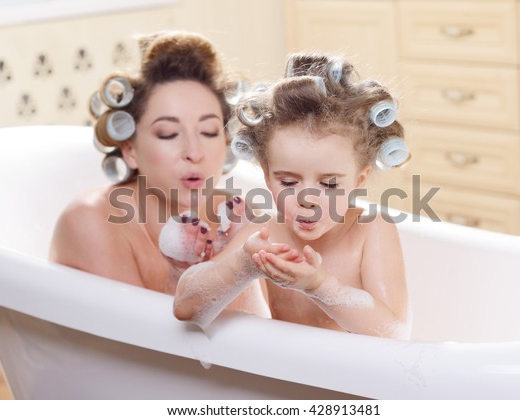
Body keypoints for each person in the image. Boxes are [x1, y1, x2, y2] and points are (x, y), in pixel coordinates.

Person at [172, 52, 411, 338]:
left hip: (352, 379)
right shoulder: (266, 234)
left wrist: (321, 287)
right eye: (288, 181)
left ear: (359, 180)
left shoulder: (371, 230)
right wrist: (242, 266)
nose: (306, 199)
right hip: (284, 377)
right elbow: (186, 307)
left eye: (329, 184)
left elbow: (394, 332)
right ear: (267, 175)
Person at [49, 31, 268, 318]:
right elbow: (133, 347)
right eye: (168, 134)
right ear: (130, 150)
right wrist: (182, 278)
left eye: (208, 132)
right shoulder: (89, 221)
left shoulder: (235, 215)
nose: (194, 151)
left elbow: (265, 335)